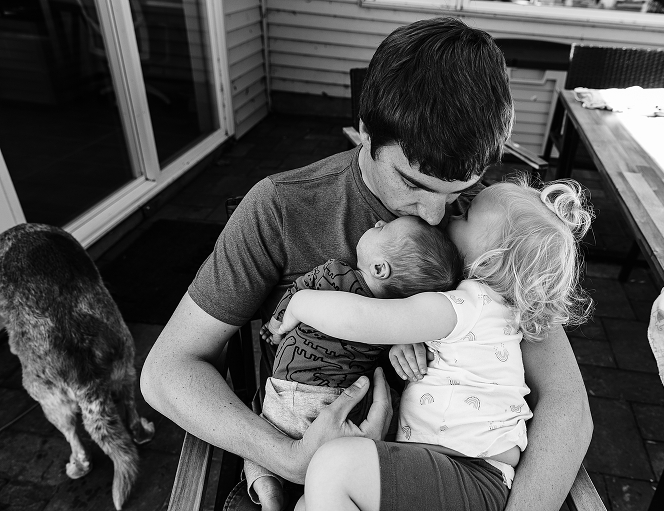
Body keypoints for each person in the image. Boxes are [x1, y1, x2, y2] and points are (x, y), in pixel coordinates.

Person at [141, 16, 593, 511]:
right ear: (363, 133)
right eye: (414, 184)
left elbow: (567, 405)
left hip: (440, 480)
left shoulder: (495, 233)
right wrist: (289, 457)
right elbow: (166, 370)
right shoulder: (283, 207)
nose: (438, 214)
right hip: (303, 475)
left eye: (460, 191)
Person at [273, 178, 593, 511]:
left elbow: (366, 319)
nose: (450, 216)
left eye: (466, 215)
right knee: (308, 503)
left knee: (334, 465)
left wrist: (302, 303)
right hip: (454, 471)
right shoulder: (502, 313)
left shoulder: (466, 305)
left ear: (493, 258)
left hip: (468, 473)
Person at [244, 216, 463, 511]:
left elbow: (298, 290)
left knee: (260, 438)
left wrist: (276, 324)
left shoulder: (335, 274)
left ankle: (269, 491)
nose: (377, 221)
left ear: (378, 268)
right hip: (341, 412)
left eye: (382, 228)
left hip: (286, 396)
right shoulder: (396, 319)